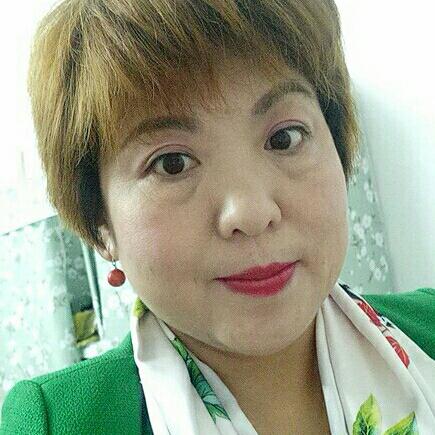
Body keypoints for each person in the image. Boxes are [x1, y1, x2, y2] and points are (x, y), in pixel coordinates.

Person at [1, 0, 434, 434]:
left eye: (284, 138)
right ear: (101, 225)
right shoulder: (56, 422)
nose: (251, 213)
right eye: (172, 163)